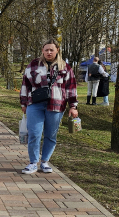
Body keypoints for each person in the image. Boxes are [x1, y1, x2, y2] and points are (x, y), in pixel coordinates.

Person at [19, 40, 79, 174]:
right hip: (35, 104)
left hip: (57, 105)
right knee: (34, 133)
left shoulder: (65, 67)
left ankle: (45, 162)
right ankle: (33, 162)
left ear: (57, 50)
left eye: (52, 50)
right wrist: (23, 103)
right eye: (46, 50)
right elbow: (25, 84)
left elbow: (71, 88)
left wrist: (73, 106)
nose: (49, 52)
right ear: (42, 50)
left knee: (51, 135)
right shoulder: (33, 65)